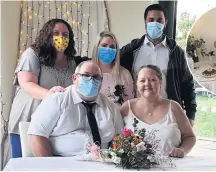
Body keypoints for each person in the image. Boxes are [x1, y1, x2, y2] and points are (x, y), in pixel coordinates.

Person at [6, 19, 87, 159]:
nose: (61, 37)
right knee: (24, 163)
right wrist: (49, 94)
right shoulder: (32, 54)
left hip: (54, 126)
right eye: (56, 33)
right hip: (28, 115)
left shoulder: (72, 62)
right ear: (47, 35)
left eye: (65, 34)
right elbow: (27, 83)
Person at [120, 4, 197, 126]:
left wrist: (190, 116)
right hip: (136, 116)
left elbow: (187, 85)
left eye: (159, 20)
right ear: (145, 22)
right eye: (151, 20)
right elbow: (112, 69)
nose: (155, 23)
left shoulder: (176, 53)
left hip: (169, 116)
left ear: (165, 23)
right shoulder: (131, 50)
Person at [28, 61, 124, 156]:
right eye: (86, 75)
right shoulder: (56, 100)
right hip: (62, 163)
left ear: (101, 82)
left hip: (101, 163)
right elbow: (37, 136)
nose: (91, 80)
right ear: (74, 78)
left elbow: (121, 140)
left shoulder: (111, 107)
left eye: (96, 77)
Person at [120, 65, 196, 158]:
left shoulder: (174, 107)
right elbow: (116, 139)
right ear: (136, 84)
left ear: (160, 83)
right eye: (142, 80)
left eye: (152, 80)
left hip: (171, 167)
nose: (147, 84)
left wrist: (182, 150)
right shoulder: (126, 108)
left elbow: (190, 137)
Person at [92, 31, 134, 105]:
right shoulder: (88, 72)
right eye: (104, 45)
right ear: (97, 47)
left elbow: (130, 103)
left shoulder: (124, 74)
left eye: (112, 47)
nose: (108, 49)